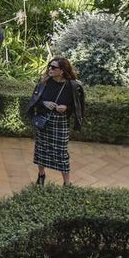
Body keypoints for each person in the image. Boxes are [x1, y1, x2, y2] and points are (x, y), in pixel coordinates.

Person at [29, 57, 86, 186]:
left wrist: (66, 108)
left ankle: (67, 183)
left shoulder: (72, 86)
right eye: (50, 66)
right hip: (44, 120)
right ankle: (41, 175)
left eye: (53, 67)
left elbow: (78, 106)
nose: (50, 69)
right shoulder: (44, 82)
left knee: (61, 152)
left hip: (60, 122)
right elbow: (34, 100)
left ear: (62, 71)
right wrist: (44, 103)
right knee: (41, 150)